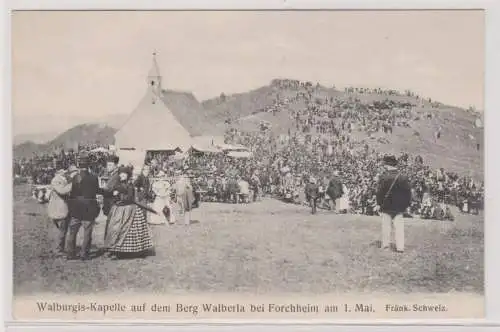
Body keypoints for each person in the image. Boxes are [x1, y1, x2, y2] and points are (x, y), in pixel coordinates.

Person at [104, 166, 154, 259]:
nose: (122, 175)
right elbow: (111, 196)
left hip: (128, 209)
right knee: (114, 229)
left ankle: (129, 251)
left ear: (127, 175)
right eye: (120, 174)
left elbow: (130, 198)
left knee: (127, 230)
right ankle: (114, 249)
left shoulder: (130, 185)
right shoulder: (116, 184)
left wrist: (119, 194)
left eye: (124, 174)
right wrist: (114, 196)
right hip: (118, 209)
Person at [376, 155, 412, 253]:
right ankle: (400, 247)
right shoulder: (403, 177)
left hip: (386, 206)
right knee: (399, 228)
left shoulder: (384, 177)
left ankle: (385, 245)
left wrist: (378, 203)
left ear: (387, 165)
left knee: (386, 227)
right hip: (399, 207)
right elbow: (408, 193)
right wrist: (406, 205)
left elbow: (380, 192)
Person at [66, 162, 100, 260]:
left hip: (76, 208)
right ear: (88, 167)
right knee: (87, 232)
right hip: (89, 208)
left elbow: (71, 193)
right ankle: (84, 254)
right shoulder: (94, 177)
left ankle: (70, 253)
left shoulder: (75, 177)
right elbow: (96, 191)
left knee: (72, 232)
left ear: (79, 167)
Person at [47, 167, 73, 256]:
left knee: (63, 230)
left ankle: (59, 248)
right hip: (59, 208)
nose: (65, 171)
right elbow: (62, 191)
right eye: (63, 170)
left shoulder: (63, 179)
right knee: (61, 230)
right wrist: (73, 183)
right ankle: (58, 249)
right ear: (58, 171)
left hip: (62, 208)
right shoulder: (56, 180)